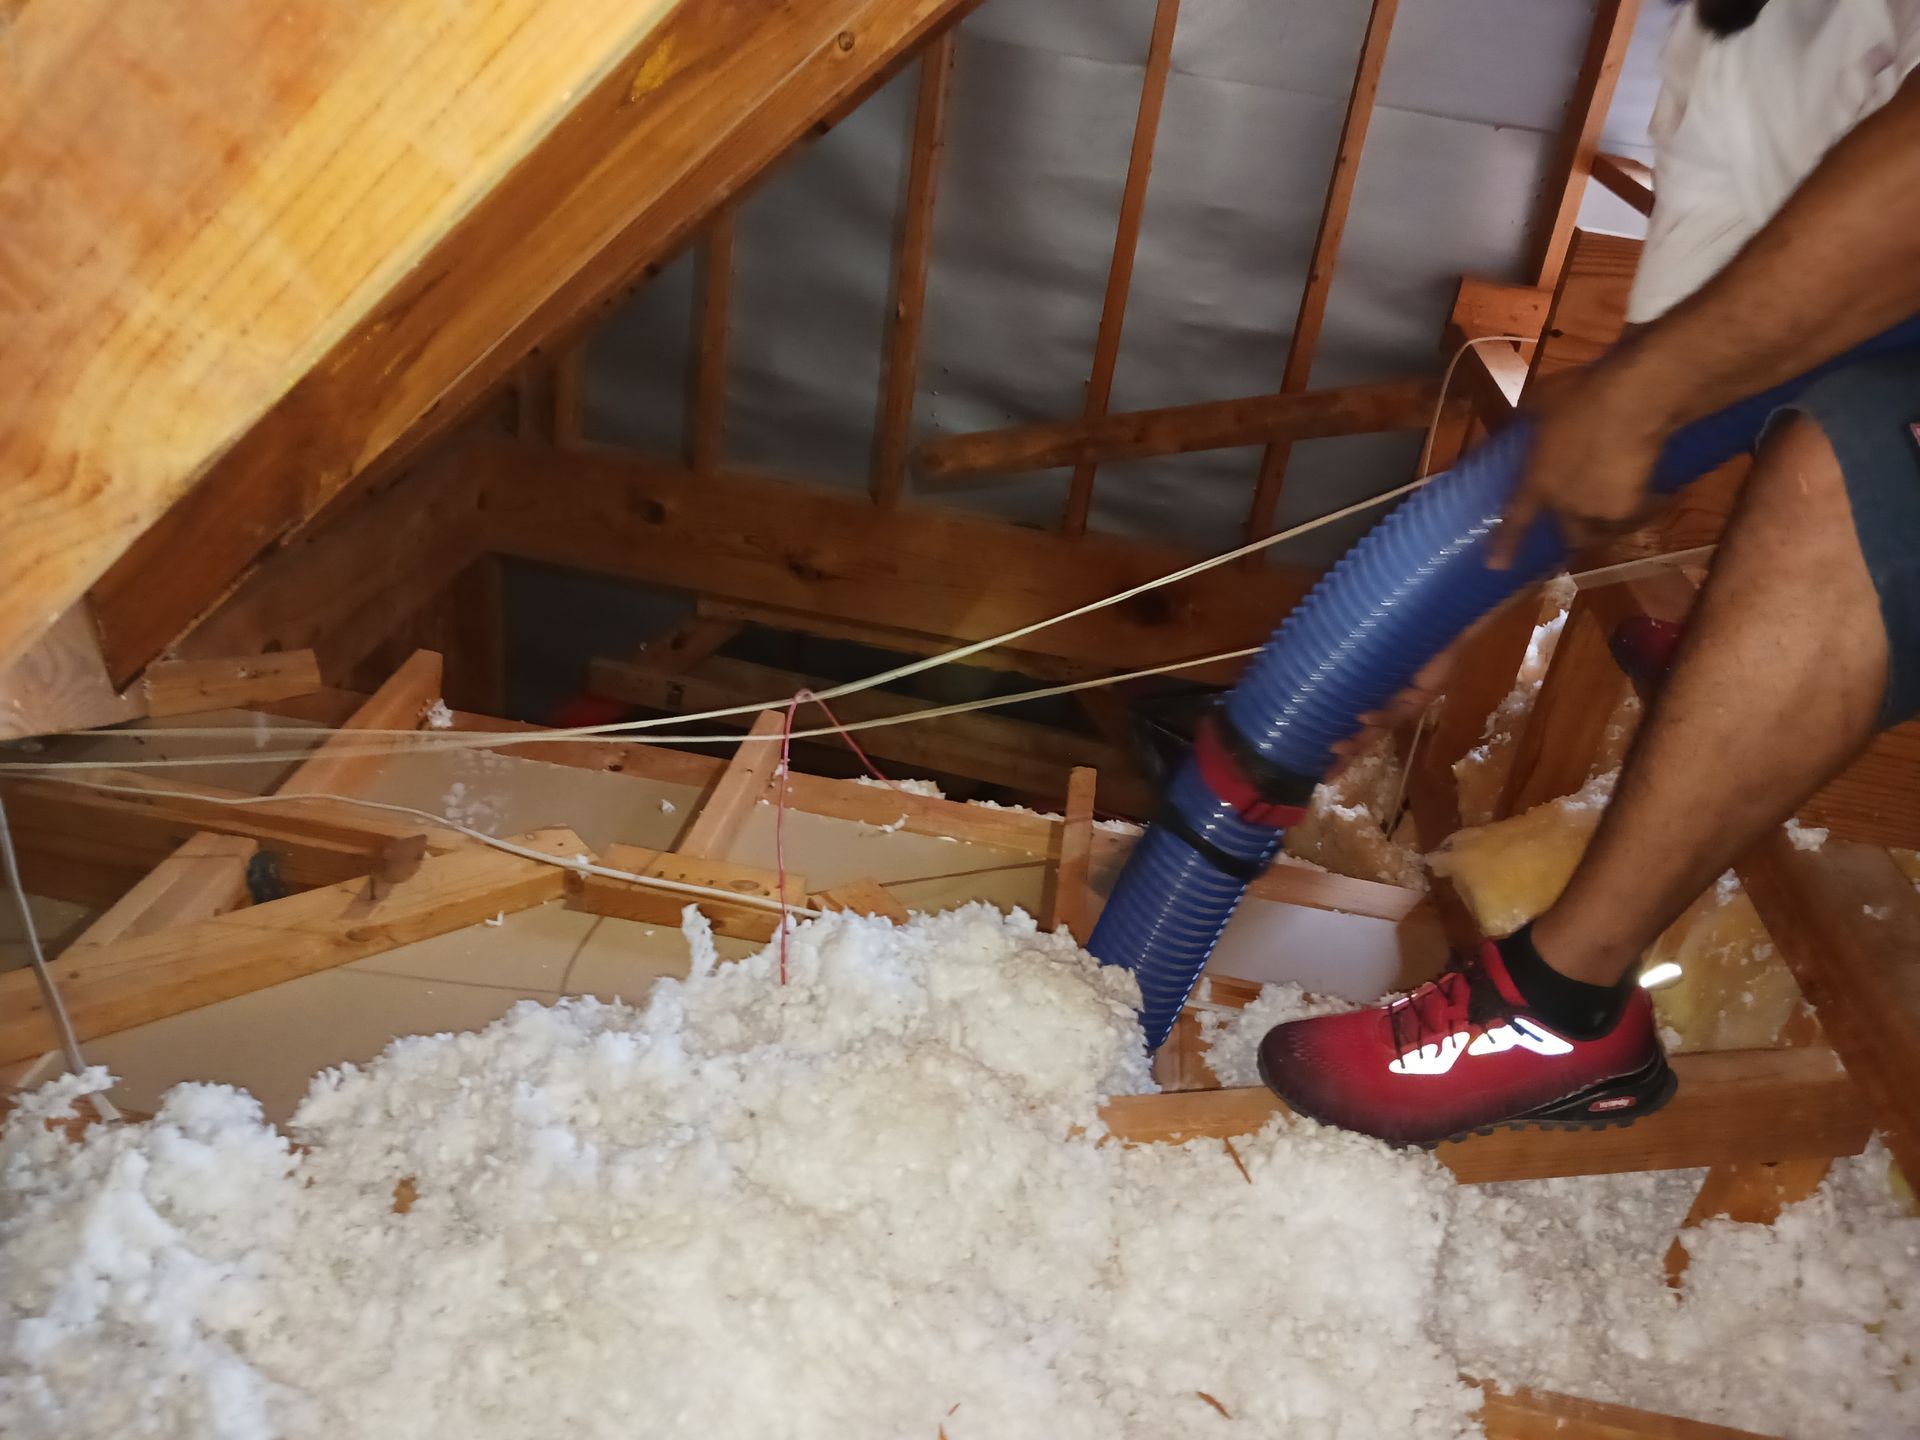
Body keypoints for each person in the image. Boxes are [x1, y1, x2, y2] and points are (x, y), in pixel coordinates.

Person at [1258, 0, 1920, 1145]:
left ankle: (1561, 1005)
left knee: (1838, 466)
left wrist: (1648, 398)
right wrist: (1463, 597)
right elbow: (1663, 398)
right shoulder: (1745, 33)